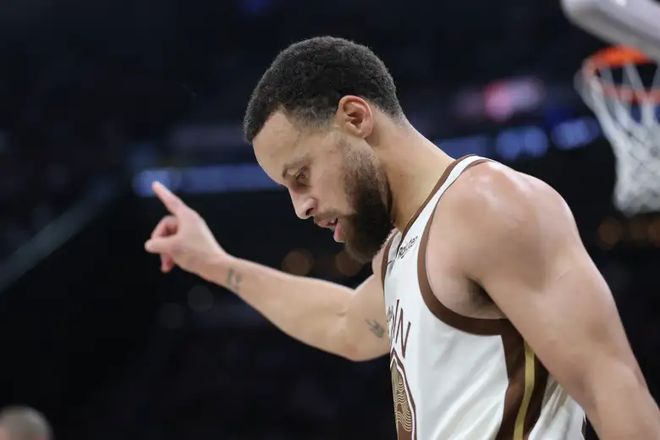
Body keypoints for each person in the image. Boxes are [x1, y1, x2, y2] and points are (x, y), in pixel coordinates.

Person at [144, 36, 660, 439]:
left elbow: (612, 389)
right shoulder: (399, 250)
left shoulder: (487, 206)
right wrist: (213, 263)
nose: (300, 207)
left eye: (301, 176)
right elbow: (345, 323)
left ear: (355, 117)